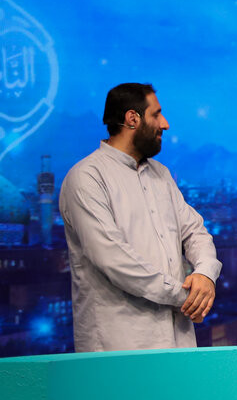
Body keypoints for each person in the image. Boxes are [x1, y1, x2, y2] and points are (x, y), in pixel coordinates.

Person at [59, 83, 221, 352]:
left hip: (178, 343)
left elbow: (195, 232)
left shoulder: (161, 175)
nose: (165, 124)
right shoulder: (87, 177)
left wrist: (205, 275)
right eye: (156, 114)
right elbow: (113, 259)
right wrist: (186, 296)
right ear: (132, 119)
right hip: (118, 346)